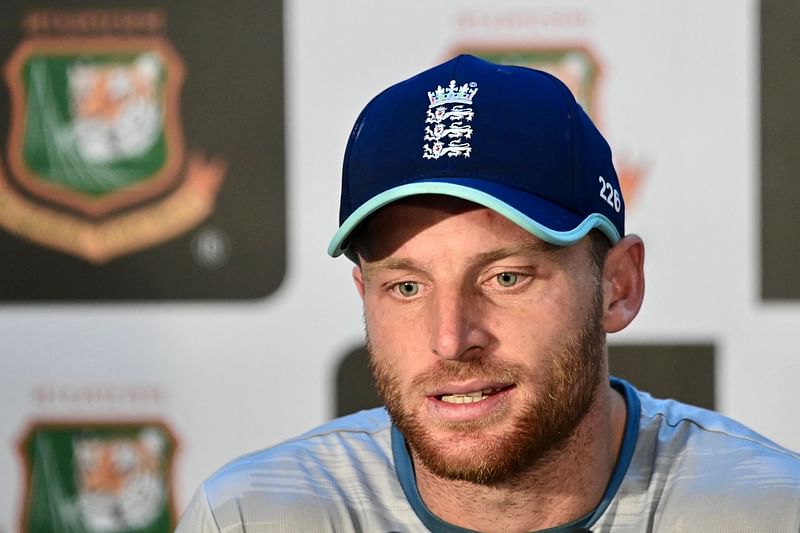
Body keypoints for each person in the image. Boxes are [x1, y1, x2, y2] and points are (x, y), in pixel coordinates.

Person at [175, 55, 800, 532]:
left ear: (618, 286)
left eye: (506, 277)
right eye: (408, 285)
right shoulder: (254, 518)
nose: (451, 338)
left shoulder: (766, 510)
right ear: (363, 291)